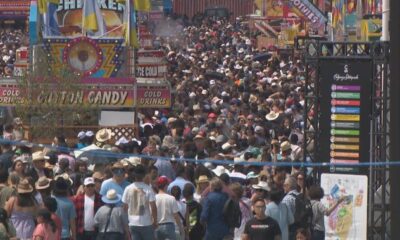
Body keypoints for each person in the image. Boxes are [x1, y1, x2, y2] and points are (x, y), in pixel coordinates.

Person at [122, 164, 157, 240]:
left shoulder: (128, 188)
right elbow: (153, 207)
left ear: (134, 175)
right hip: (146, 223)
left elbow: (124, 208)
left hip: (133, 223)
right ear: (144, 175)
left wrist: (125, 223)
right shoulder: (148, 189)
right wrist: (155, 221)